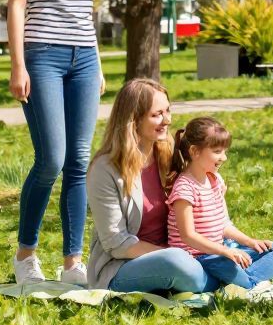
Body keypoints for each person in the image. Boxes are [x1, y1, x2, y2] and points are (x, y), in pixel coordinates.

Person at [8, 0, 104, 285]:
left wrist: (97, 61)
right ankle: (26, 255)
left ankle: (72, 263)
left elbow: (86, 11)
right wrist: (18, 64)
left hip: (82, 57)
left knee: (79, 162)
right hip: (42, 56)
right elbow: (16, 5)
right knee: (51, 159)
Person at [87, 79, 211, 294]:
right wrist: (171, 253)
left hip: (180, 251)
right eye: (157, 115)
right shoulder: (104, 169)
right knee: (176, 261)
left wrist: (211, 190)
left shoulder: (167, 152)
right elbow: (117, 243)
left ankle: (211, 272)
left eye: (168, 111)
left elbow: (188, 202)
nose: (167, 120)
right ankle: (218, 277)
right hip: (123, 266)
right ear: (133, 120)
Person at [167, 116, 273, 297]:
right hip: (200, 258)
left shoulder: (215, 179)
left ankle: (238, 280)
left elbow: (224, 225)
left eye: (225, 151)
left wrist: (250, 242)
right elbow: (188, 236)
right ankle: (244, 281)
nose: (224, 157)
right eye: (217, 151)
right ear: (195, 151)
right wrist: (226, 251)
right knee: (226, 266)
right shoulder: (184, 188)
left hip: (221, 251)